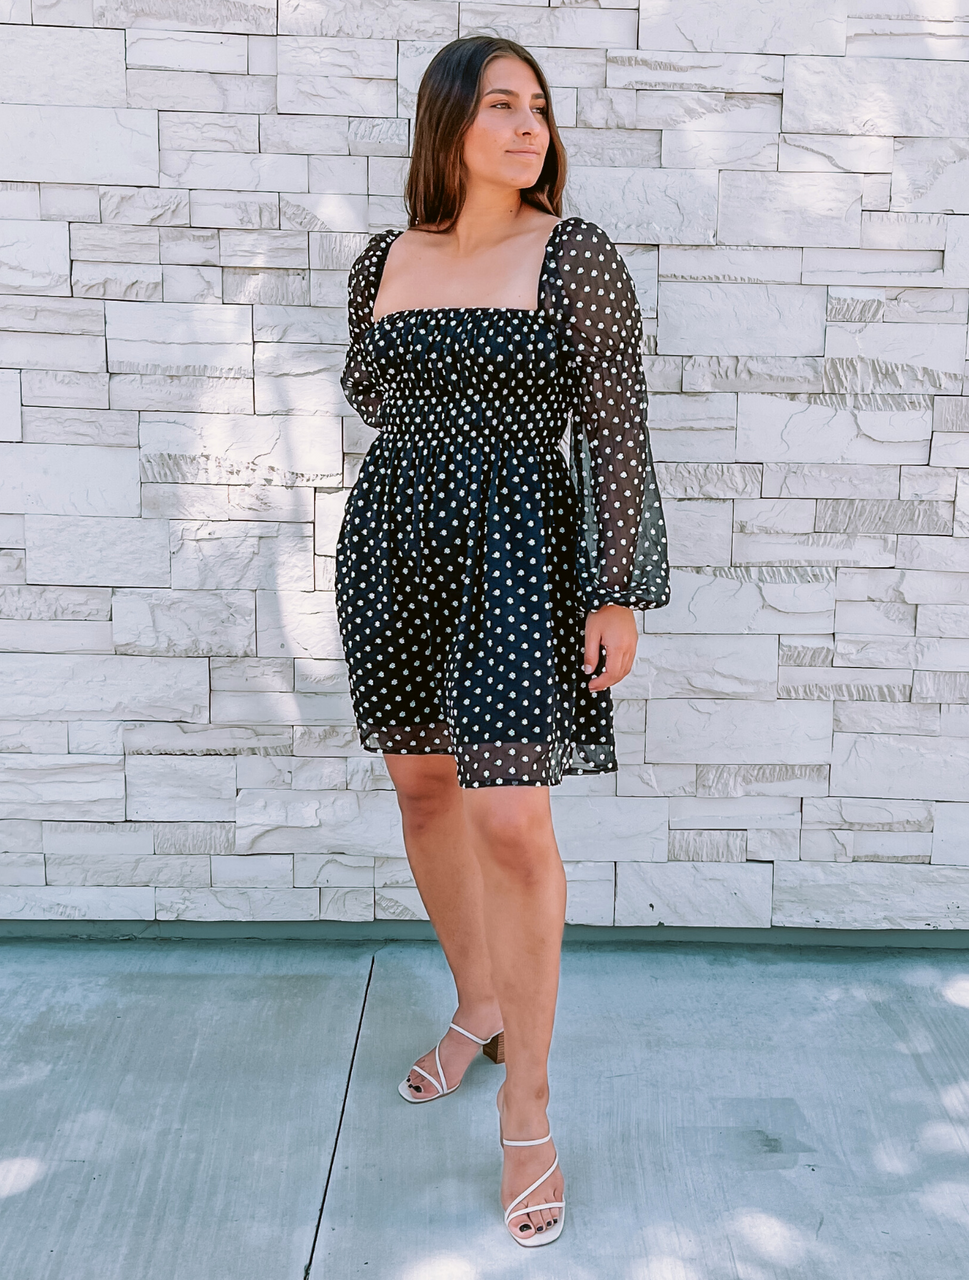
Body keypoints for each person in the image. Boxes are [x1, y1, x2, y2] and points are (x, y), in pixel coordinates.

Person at [337, 34, 670, 1246]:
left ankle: (527, 1100)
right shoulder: (387, 256)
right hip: (396, 545)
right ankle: (475, 1004)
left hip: (526, 549)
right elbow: (373, 397)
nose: (529, 127)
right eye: (500, 107)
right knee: (425, 787)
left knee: (511, 818)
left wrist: (618, 586)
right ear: (447, 128)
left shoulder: (573, 255)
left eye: (538, 107)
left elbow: (616, 425)